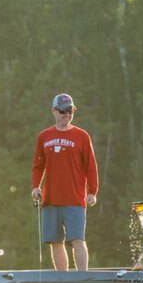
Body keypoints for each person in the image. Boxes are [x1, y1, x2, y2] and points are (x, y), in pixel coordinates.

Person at [31, 92, 99, 270]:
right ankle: (62, 278)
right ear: (54, 111)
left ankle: (82, 278)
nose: (67, 115)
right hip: (50, 199)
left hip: (74, 198)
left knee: (77, 239)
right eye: (63, 111)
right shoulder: (44, 136)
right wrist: (35, 187)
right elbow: (38, 166)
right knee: (55, 241)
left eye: (70, 111)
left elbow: (91, 166)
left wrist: (92, 191)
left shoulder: (81, 136)